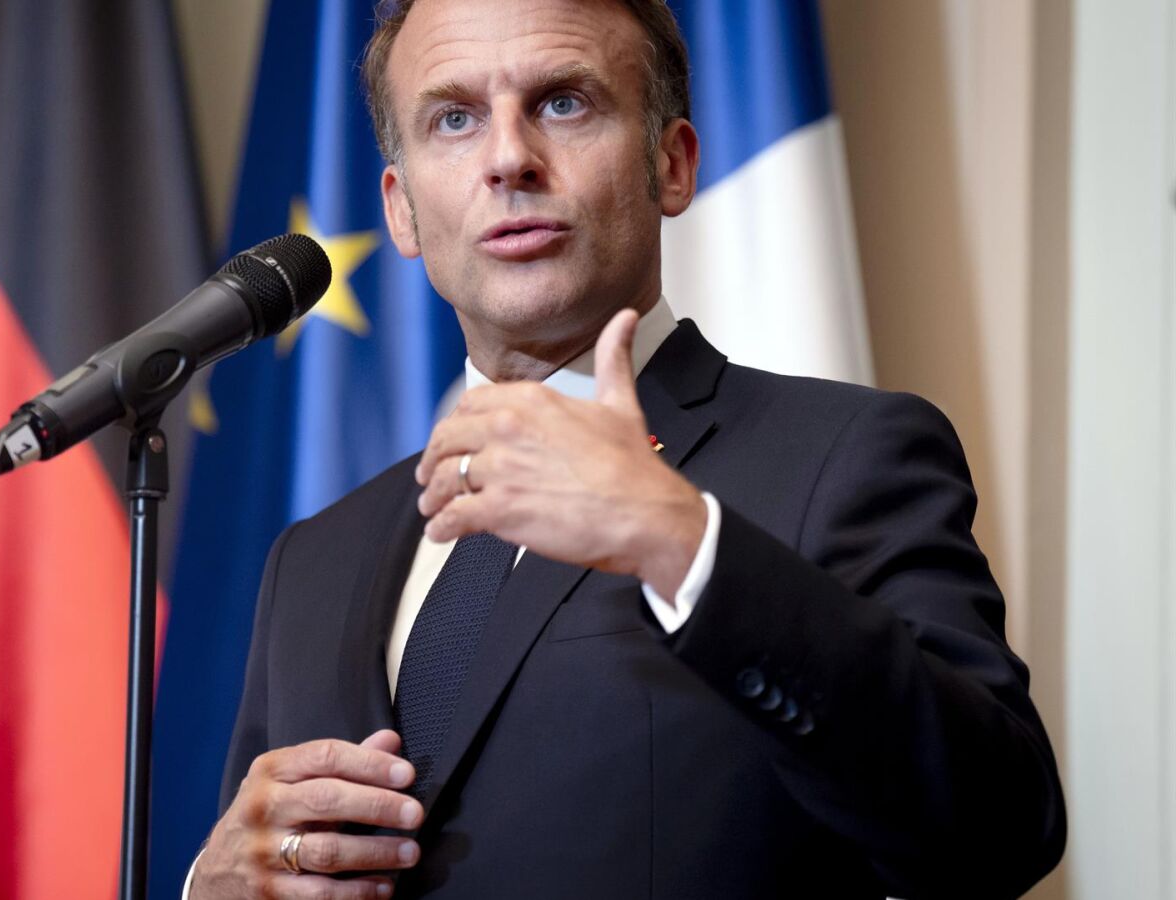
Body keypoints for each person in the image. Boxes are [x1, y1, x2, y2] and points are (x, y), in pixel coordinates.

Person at [189, 0, 1067, 896]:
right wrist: (208, 887)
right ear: (401, 210)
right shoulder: (312, 559)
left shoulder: (846, 457)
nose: (508, 158)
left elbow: (1000, 828)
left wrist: (682, 542)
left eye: (563, 102)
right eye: (454, 119)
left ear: (671, 164)